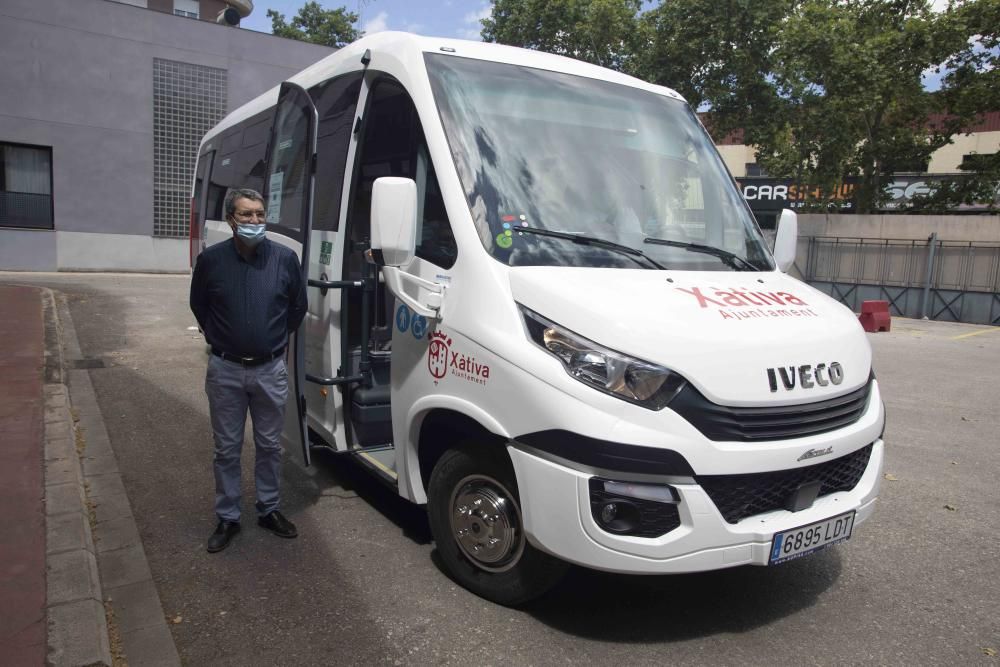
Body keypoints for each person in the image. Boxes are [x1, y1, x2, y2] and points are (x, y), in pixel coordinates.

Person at [190, 188, 308, 553]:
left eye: (259, 214)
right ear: (231, 220)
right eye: (246, 215)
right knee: (226, 448)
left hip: (269, 370)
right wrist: (224, 338)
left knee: (270, 445)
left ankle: (268, 509)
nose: (255, 221)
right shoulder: (211, 260)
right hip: (225, 370)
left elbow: (297, 309)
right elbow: (199, 305)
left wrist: (268, 341)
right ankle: (228, 516)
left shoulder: (285, 260)